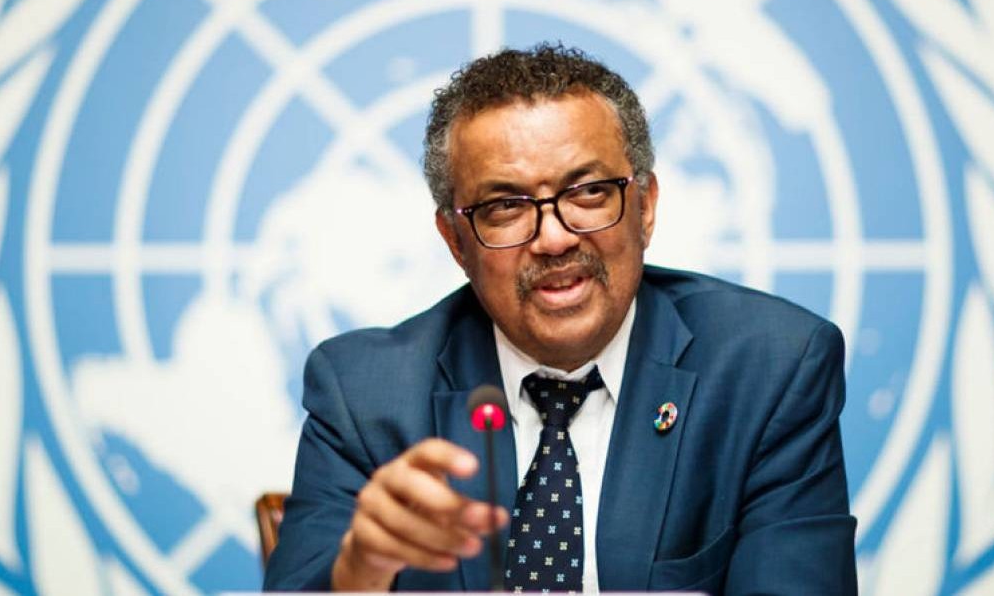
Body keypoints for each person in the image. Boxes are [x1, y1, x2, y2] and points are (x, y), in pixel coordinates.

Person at [263, 44, 857, 594]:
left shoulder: (771, 368)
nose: (553, 238)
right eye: (505, 206)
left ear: (645, 206)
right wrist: (360, 572)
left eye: (589, 192)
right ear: (455, 241)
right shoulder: (365, 395)